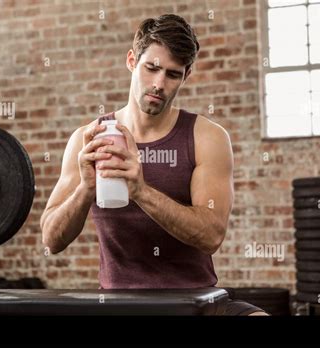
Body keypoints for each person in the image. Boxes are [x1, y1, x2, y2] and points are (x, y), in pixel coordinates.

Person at [40, 14, 267, 316]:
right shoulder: (88, 138)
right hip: (121, 305)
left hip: (196, 301)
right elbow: (52, 240)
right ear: (132, 61)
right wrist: (85, 189)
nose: (159, 84)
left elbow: (211, 236)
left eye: (173, 74)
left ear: (186, 76)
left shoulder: (207, 137)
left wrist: (140, 191)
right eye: (152, 68)